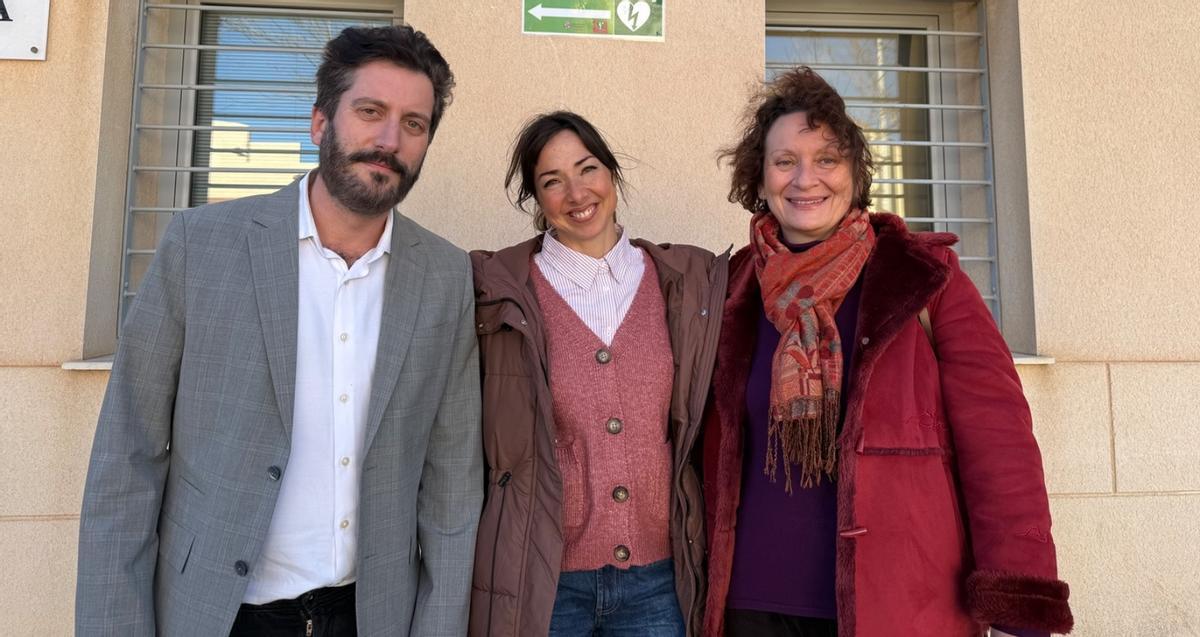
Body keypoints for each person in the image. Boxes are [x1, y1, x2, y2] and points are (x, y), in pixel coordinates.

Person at [76, 25, 482, 637]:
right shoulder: (200, 247)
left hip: (369, 617)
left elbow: (452, 483)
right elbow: (126, 458)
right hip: (217, 612)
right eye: (370, 111)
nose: (389, 140)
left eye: (414, 123)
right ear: (320, 122)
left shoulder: (446, 276)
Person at [700, 67, 1074, 637]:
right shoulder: (734, 288)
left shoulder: (924, 278)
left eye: (827, 159)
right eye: (785, 161)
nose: (806, 179)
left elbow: (1000, 443)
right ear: (761, 175)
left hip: (902, 605)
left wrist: (1017, 601)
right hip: (749, 608)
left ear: (855, 172)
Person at [468, 111, 728, 637]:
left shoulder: (688, 283)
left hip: (660, 577)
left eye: (588, 169)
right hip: (545, 580)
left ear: (612, 174)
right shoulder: (496, 293)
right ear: (535, 200)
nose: (576, 192)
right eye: (551, 181)